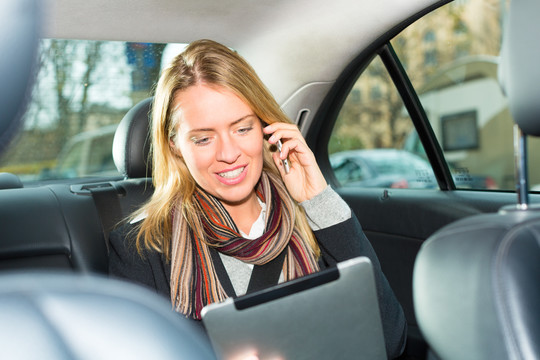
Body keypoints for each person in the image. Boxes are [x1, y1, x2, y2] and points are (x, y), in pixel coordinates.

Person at [109, 39, 407, 358]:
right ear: (175, 147)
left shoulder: (312, 218)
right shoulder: (141, 247)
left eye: (242, 129)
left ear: (265, 127)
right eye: (204, 138)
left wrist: (317, 199)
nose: (228, 154)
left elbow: (388, 340)